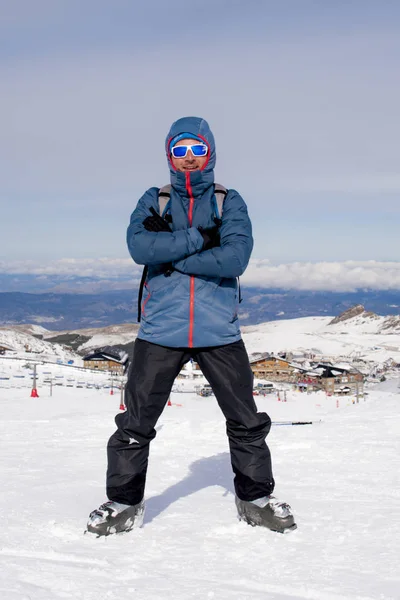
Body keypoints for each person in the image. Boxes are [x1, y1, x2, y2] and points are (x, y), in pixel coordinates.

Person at [87, 116, 296, 536]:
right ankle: (123, 503)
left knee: (245, 420)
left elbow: (236, 258)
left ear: (210, 152)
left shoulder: (227, 201)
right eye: (179, 150)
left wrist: (172, 253)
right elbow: (139, 247)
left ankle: (255, 498)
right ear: (169, 154)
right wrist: (202, 239)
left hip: (219, 332)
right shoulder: (155, 198)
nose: (187, 158)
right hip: (159, 332)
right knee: (134, 423)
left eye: (196, 149)